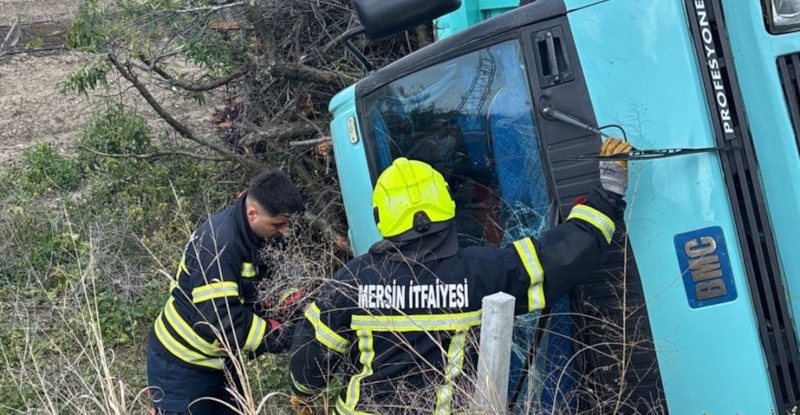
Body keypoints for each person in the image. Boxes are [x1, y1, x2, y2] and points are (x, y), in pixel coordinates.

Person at [287, 136, 633, 415]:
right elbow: (561, 256)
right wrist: (608, 193)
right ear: (446, 205)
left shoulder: (353, 280)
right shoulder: (481, 272)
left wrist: (302, 394)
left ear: (383, 218)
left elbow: (308, 366)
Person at [146, 170, 305, 415]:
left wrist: (293, 303)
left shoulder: (265, 234)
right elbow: (222, 323)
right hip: (180, 366)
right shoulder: (219, 243)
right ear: (253, 213)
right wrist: (283, 336)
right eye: (278, 224)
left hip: (223, 363)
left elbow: (275, 280)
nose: (285, 231)